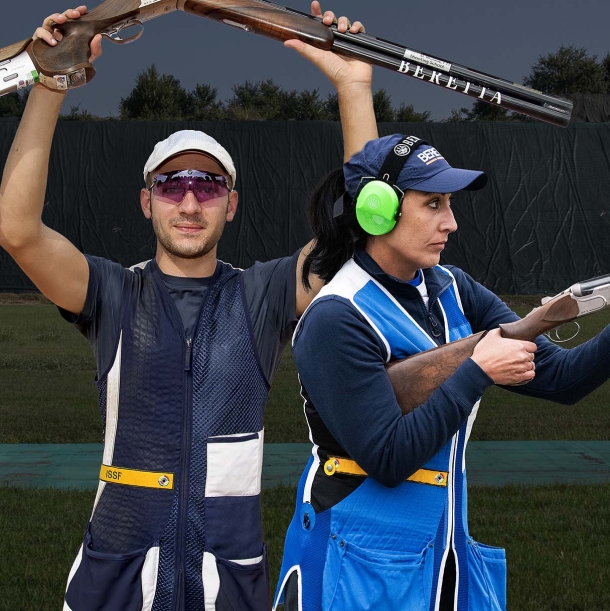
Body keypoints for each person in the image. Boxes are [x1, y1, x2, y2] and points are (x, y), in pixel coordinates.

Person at [0, 4, 378, 609]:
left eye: (209, 186)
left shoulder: (262, 295)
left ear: (231, 205)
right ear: (147, 203)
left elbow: (364, 239)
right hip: (116, 576)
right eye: (172, 185)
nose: (190, 201)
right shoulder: (111, 292)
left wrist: (353, 89)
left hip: (227, 580)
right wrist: (52, 80)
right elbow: (16, 229)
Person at [273, 134, 610, 611]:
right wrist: (477, 370)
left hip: (438, 552)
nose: (450, 222)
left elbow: (564, 379)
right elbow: (389, 458)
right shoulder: (336, 317)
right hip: (355, 567)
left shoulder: (454, 288)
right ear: (377, 210)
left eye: (449, 204)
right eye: (433, 204)